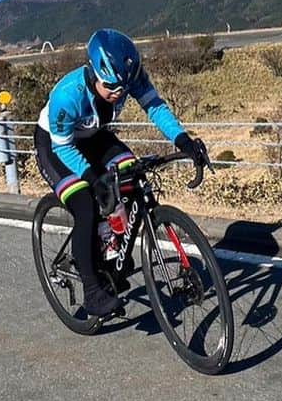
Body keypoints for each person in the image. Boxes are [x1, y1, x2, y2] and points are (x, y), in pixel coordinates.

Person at [34, 28, 208, 318]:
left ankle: (113, 250)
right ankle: (92, 291)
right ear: (93, 73)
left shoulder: (128, 77)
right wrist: (92, 178)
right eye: (111, 88)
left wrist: (183, 141)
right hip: (56, 146)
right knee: (86, 205)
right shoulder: (68, 95)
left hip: (93, 136)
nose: (118, 95)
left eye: (123, 90)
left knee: (131, 175)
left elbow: (154, 106)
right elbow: (64, 148)